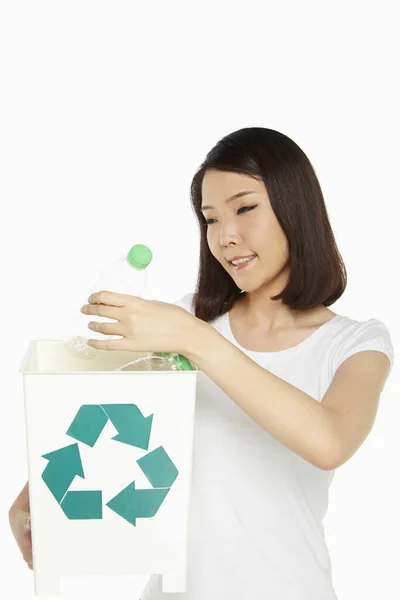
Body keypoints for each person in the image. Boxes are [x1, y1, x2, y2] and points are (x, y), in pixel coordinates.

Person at [9, 127, 394, 600]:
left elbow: (329, 441)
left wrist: (198, 340)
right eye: (210, 219)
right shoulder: (188, 317)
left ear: (297, 207)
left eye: (245, 208)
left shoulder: (354, 342)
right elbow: (108, 412)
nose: (225, 236)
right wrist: (38, 495)